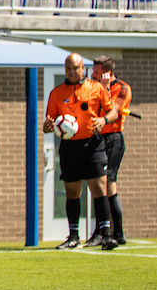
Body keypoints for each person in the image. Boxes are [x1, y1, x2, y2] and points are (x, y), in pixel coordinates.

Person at [45, 52, 119, 251]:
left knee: (99, 187)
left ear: (82, 68)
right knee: (72, 192)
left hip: (93, 144)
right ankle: (73, 236)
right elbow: (48, 122)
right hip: (69, 147)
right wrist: (49, 126)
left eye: (75, 68)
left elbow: (113, 112)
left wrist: (104, 120)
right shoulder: (56, 93)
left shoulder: (96, 88)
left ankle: (104, 234)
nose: (71, 71)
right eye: (68, 68)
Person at [94, 56, 132, 246]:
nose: (93, 75)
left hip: (113, 139)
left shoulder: (122, 89)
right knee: (99, 182)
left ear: (107, 73)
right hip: (97, 138)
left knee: (109, 181)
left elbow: (113, 111)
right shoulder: (94, 87)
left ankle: (117, 232)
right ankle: (102, 231)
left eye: (97, 72)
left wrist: (105, 88)